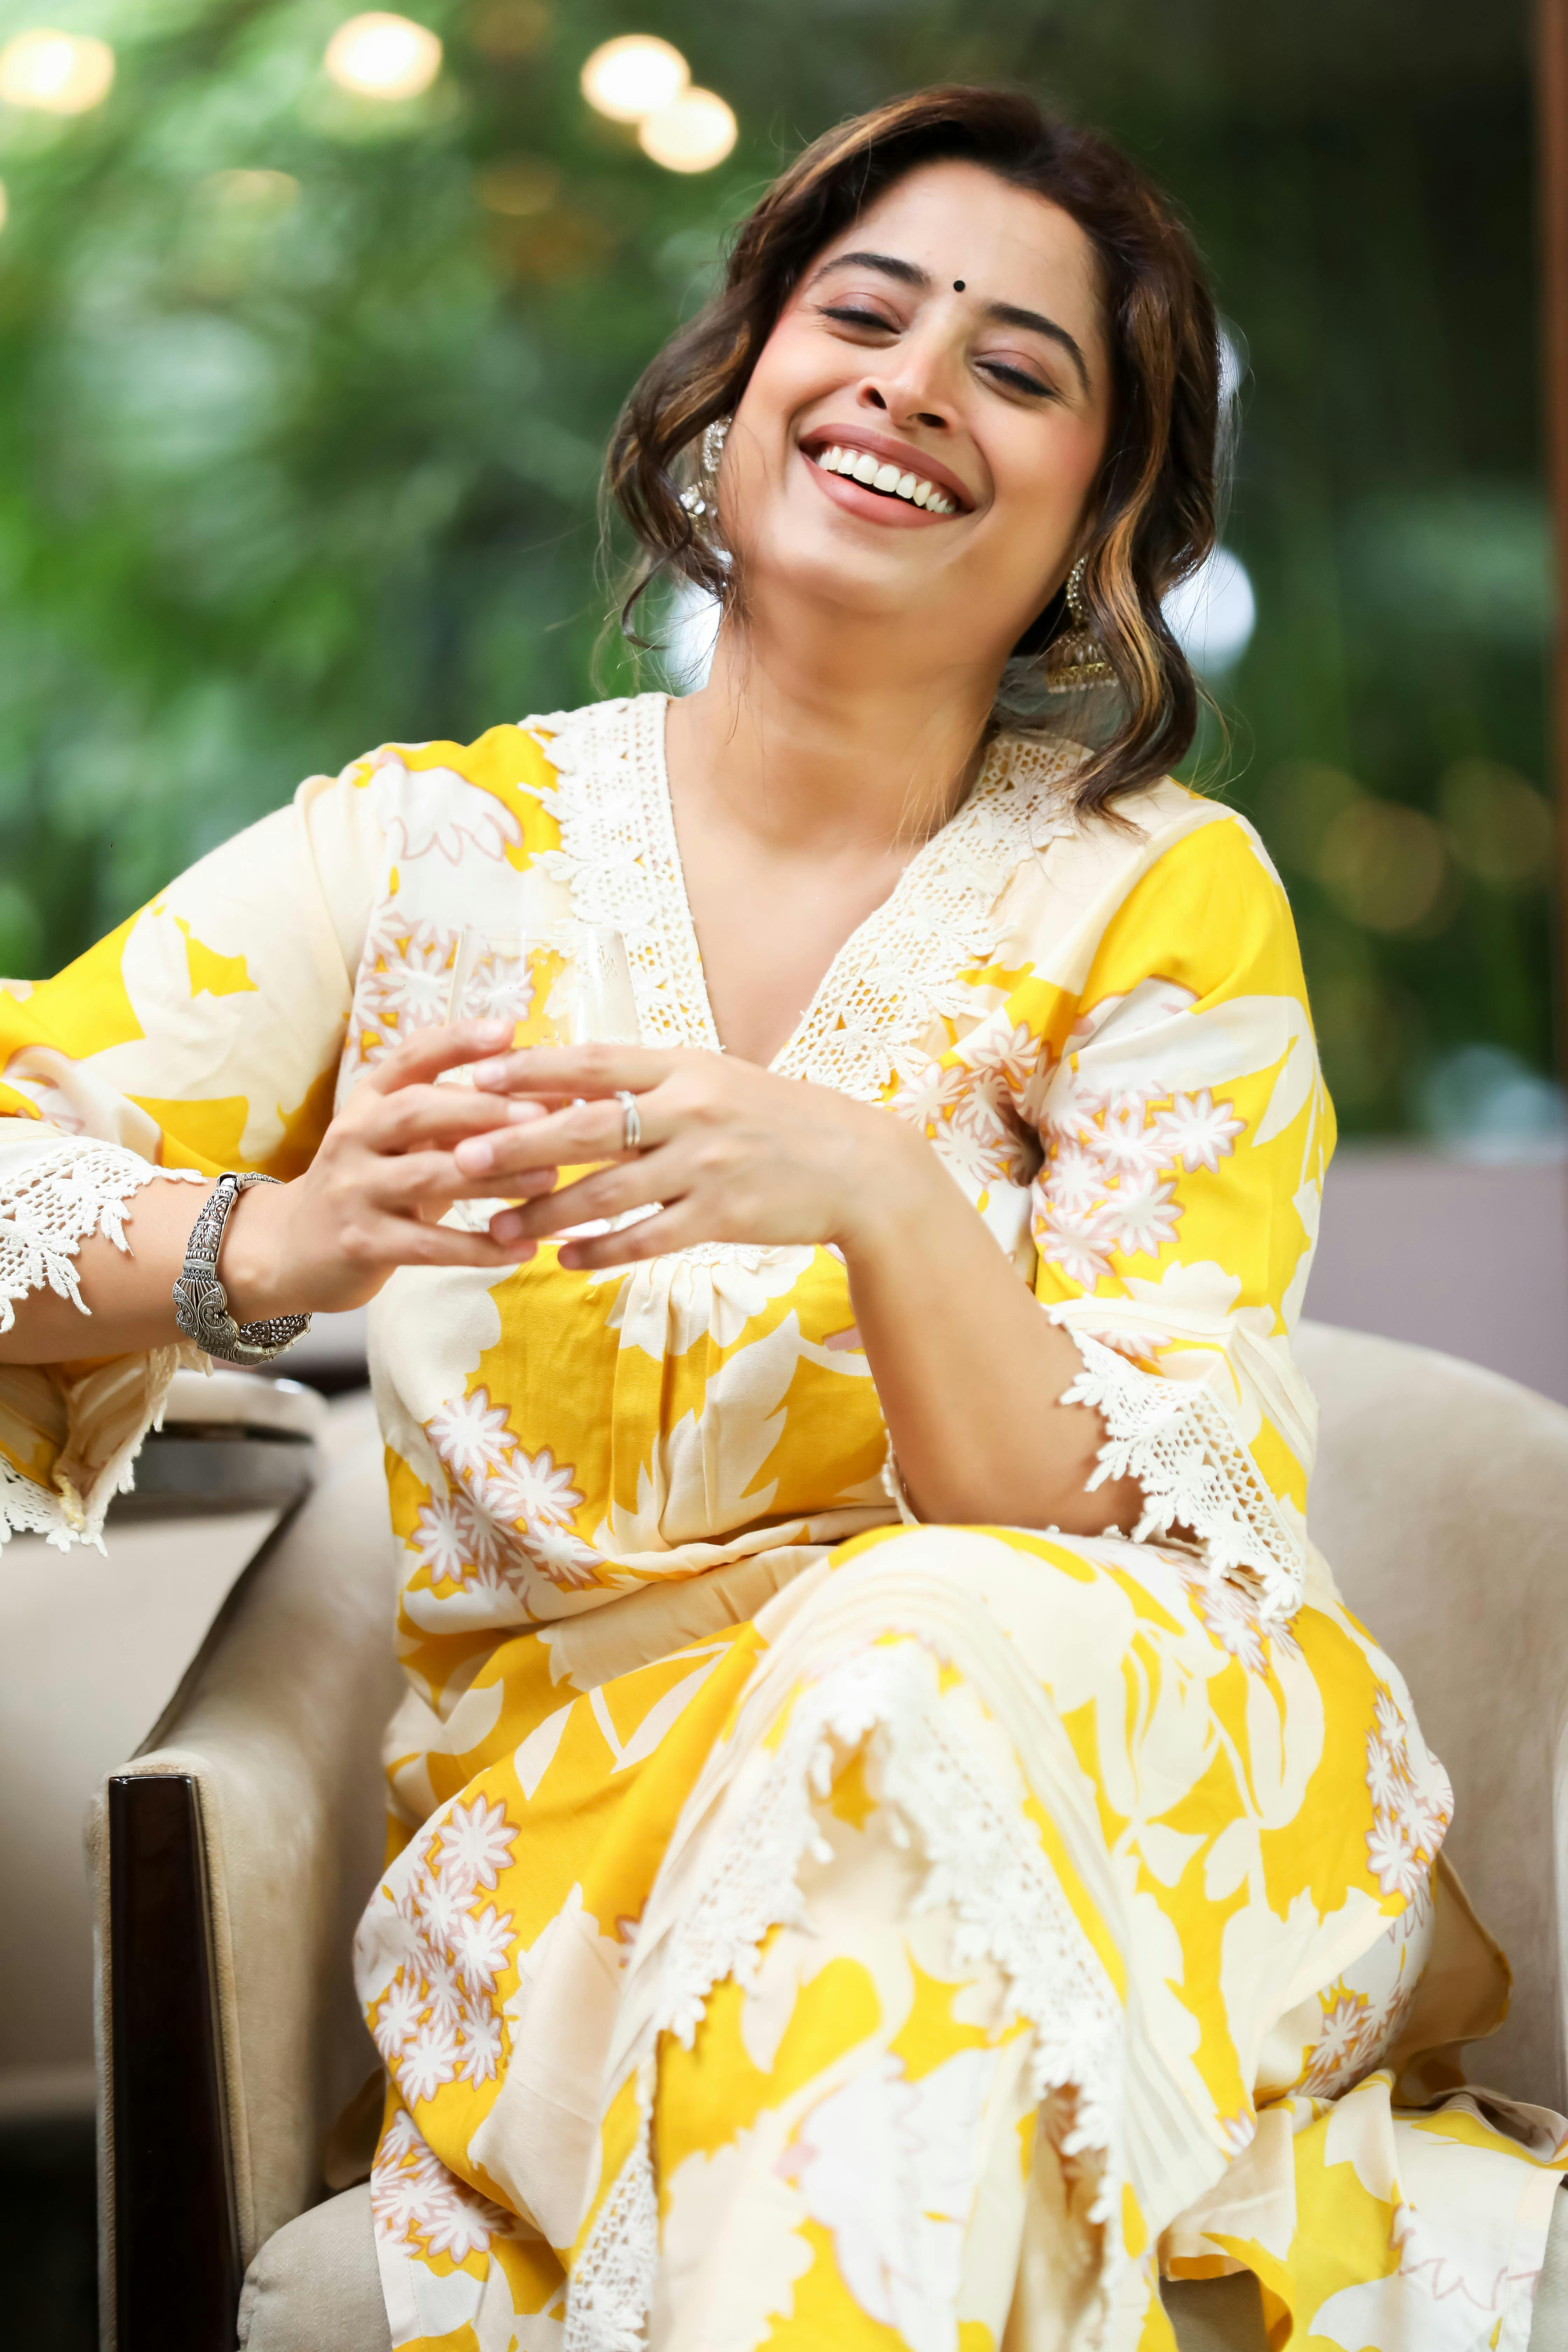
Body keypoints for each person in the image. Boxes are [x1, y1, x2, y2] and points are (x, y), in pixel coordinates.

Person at [0, 83, 1559, 2352]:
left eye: (1018, 369)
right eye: (864, 314)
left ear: (1101, 515)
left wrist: (880, 1195)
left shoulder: (1162, 902)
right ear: (732, 387)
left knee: (911, 1645)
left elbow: (1116, 1513)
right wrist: (276, 1244)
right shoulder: (426, 856)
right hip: (596, 1866)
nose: (914, 386)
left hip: (1114, 1786)